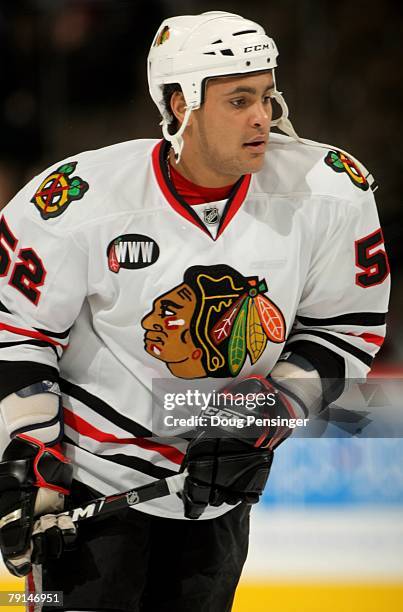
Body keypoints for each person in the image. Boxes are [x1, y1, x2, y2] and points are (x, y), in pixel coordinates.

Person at [0, 10, 390, 612]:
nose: (262, 116)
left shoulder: (329, 192)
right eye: (238, 100)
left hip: (217, 496)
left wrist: (264, 414)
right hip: (87, 492)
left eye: (265, 95)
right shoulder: (75, 202)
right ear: (180, 104)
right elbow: (15, 332)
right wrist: (25, 456)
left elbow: (344, 331)